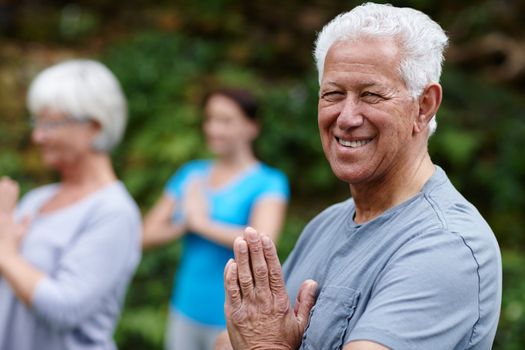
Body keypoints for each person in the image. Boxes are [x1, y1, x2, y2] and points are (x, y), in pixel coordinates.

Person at [217, 3, 502, 350]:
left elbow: (252, 340)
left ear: (424, 106)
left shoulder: (447, 246)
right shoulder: (326, 224)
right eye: (333, 94)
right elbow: (226, 341)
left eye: (371, 94)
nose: (347, 117)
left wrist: (266, 345)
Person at [0, 59, 141, 350]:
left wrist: (6, 254)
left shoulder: (115, 213)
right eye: (36, 122)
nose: (37, 136)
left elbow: (64, 309)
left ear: (93, 127)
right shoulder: (36, 199)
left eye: (50, 123)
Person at [142, 88, 290, 350]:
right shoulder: (192, 174)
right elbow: (145, 235)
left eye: (225, 120)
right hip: (183, 311)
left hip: (235, 322)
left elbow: (264, 242)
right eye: (210, 119)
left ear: (251, 127)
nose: (213, 128)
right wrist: (184, 224)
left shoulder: (269, 182)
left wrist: (200, 223)